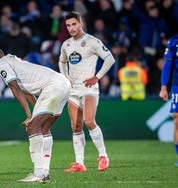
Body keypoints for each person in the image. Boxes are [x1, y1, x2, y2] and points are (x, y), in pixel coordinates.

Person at [0, 47, 71, 182]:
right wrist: (35, 112)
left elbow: (14, 87)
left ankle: (38, 174)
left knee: (32, 128)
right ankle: (44, 173)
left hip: (53, 86)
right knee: (43, 128)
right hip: (63, 84)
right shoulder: (12, 60)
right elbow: (26, 90)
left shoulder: (1, 64)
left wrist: (30, 116)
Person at [59, 11, 115, 172]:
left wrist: (97, 77)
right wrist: (65, 78)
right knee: (75, 127)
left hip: (89, 89)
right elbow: (61, 61)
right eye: (68, 25)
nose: (71, 28)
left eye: (74, 24)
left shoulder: (91, 41)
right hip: (73, 91)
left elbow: (110, 58)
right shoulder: (66, 45)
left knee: (89, 122)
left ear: (81, 23)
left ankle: (103, 156)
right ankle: (80, 163)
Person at [159, 34, 178, 167]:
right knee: (176, 118)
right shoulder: (174, 41)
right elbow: (167, 64)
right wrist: (164, 87)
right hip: (177, 84)